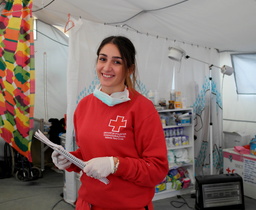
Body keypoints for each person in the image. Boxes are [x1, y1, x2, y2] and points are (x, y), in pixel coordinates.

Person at [52, 36, 169, 210]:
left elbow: (157, 169)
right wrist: (70, 160)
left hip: (129, 206)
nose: (107, 68)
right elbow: (88, 156)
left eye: (117, 62)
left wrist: (115, 165)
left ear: (129, 69)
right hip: (87, 204)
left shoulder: (142, 109)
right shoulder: (83, 106)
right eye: (103, 59)